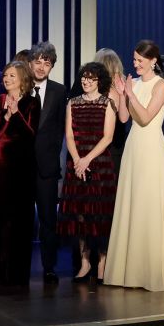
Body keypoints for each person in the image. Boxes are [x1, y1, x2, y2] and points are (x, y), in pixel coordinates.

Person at [104, 41, 164, 291]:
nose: (135, 64)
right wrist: (122, 93)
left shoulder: (161, 85)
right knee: (132, 204)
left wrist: (131, 93)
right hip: (134, 147)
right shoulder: (134, 84)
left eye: (140, 60)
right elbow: (125, 118)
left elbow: (145, 117)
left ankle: (152, 272)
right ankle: (129, 272)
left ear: (153, 60)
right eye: (134, 60)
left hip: (151, 148)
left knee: (148, 206)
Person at [57, 62, 118, 283]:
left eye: (91, 78)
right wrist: (76, 161)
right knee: (80, 215)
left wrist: (86, 160)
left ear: (99, 81)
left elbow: (108, 137)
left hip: (99, 164)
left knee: (100, 215)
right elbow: (70, 136)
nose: (86, 81)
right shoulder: (72, 103)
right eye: (84, 77)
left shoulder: (108, 103)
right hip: (77, 164)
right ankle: (85, 263)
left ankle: (101, 263)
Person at [0, 61, 39, 285]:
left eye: (12, 76)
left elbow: (30, 134)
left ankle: (17, 271)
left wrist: (16, 114)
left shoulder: (32, 103)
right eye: (5, 75)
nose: (7, 79)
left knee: (19, 218)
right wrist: (6, 116)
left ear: (23, 79)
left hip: (21, 166)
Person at [29, 43, 67, 283]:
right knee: (20, 221)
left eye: (47, 63)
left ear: (52, 66)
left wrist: (54, 158)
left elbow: (62, 128)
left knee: (48, 221)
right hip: (21, 166)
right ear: (30, 63)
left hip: (47, 167)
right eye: (38, 62)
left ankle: (49, 267)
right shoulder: (19, 86)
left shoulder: (59, 91)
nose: (42, 67)